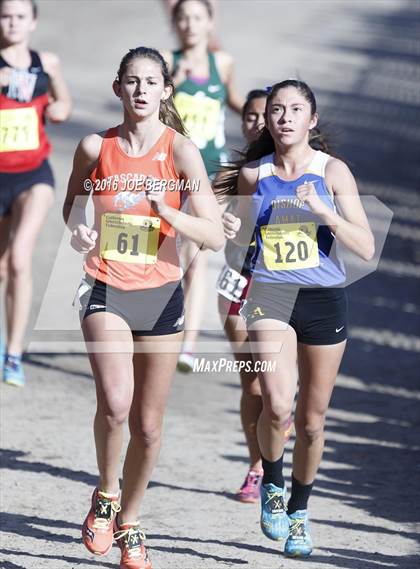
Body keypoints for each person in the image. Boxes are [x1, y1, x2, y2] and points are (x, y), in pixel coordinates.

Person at [63, 46, 223, 569]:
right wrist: (79, 231)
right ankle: (106, 494)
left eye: (150, 82)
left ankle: (130, 519)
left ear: (165, 91)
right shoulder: (94, 146)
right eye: (131, 81)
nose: (140, 91)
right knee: (115, 403)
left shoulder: (181, 153)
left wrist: (165, 212)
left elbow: (214, 234)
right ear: (117, 88)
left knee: (149, 426)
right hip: (105, 285)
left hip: (161, 294)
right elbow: (72, 207)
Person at [220, 79, 374, 557]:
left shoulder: (334, 173)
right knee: (279, 403)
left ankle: (300, 512)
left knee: (311, 421)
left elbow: (366, 247)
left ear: (312, 119)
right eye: (276, 111)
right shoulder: (253, 175)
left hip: (325, 299)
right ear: (266, 121)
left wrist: (325, 212)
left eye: (295, 110)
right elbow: (236, 254)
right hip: (271, 294)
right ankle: (271, 480)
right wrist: (230, 231)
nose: (284, 117)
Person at [217, 89, 293, 503]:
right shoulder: (234, 171)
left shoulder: (302, 167)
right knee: (253, 387)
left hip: (288, 287)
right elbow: (206, 223)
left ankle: (284, 408)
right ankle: (257, 466)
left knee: (275, 387)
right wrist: (222, 226)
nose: (258, 122)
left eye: (267, 115)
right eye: (250, 115)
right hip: (239, 281)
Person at [161, 0, 243, 372]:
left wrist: (266, 113)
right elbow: (150, 108)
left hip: (212, 175)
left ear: (211, 22)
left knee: (194, 259)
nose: (190, 24)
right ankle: (162, 328)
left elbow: (234, 100)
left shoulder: (221, 62)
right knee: (171, 257)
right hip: (172, 172)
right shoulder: (165, 61)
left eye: (198, 17)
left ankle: (187, 346)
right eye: (183, 17)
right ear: (174, 23)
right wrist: (171, 82)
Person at [0, 0, 71, 386]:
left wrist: (57, 109)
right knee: (0, 266)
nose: (12, 22)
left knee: (19, 260)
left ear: (33, 22)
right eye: (5, 15)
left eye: (19, 16)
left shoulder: (47, 63)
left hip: (33, 175)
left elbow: (64, 104)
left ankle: (13, 354)